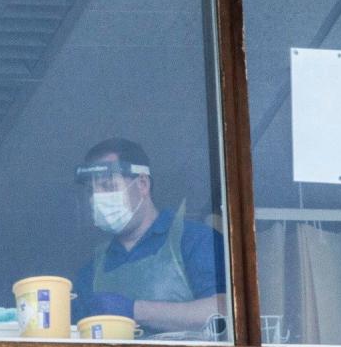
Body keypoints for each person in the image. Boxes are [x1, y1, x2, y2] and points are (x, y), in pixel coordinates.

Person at [72, 138, 227, 335]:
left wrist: (134, 310)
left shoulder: (196, 240)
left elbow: (224, 311)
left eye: (108, 185)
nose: (97, 198)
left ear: (142, 184)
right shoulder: (92, 271)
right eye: (91, 191)